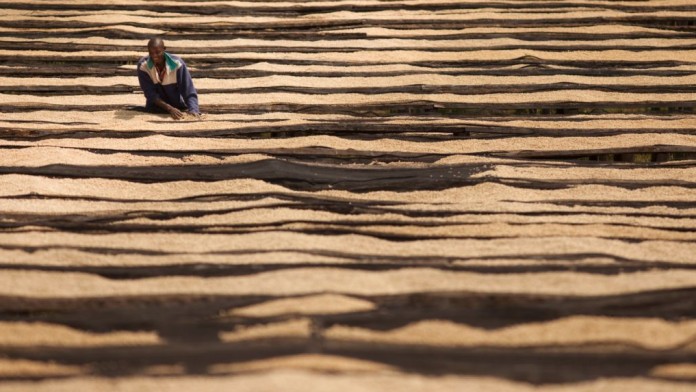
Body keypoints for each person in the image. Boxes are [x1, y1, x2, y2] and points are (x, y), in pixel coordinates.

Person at [137, 38, 200, 120]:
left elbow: (188, 89)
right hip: (154, 109)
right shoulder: (143, 66)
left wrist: (194, 110)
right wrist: (169, 108)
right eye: (151, 53)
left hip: (178, 107)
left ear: (164, 49)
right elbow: (150, 93)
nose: (154, 56)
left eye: (157, 52)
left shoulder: (177, 64)